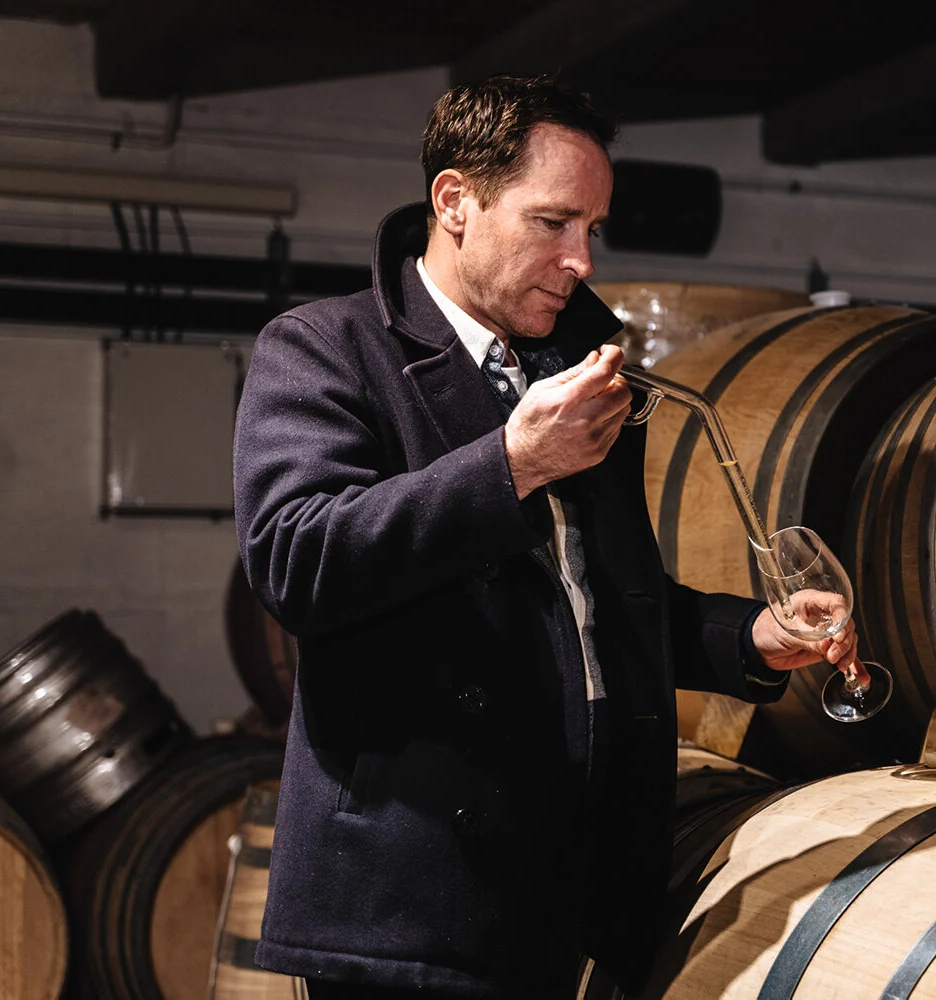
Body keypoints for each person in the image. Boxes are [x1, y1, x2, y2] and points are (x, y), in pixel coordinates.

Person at [232, 74, 860, 1000]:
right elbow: (298, 560)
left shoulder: (572, 367)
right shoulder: (326, 348)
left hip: (581, 872)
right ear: (455, 201)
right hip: (417, 891)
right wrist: (511, 463)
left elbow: (591, 601)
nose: (582, 261)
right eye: (552, 222)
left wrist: (748, 639)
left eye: (592, 230)